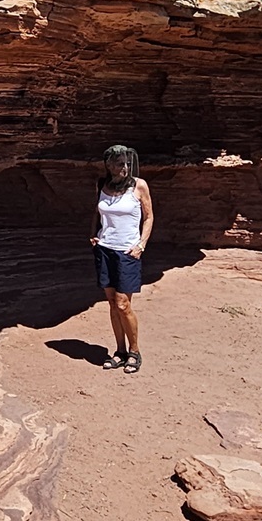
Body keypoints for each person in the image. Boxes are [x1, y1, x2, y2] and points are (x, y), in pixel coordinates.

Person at [90, 144, 153, 374]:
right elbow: (97, 212)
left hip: (127, 252)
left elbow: (149, 217)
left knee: (123, 304)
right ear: (108, 165)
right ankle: (120, 351)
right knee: (111, 303)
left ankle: (135, 351)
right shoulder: (102, 185)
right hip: (105, 249)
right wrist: (93, 234)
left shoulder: (139, 186)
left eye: (127, 163)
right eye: (119, 163)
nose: (124, 167)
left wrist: (141, 244)